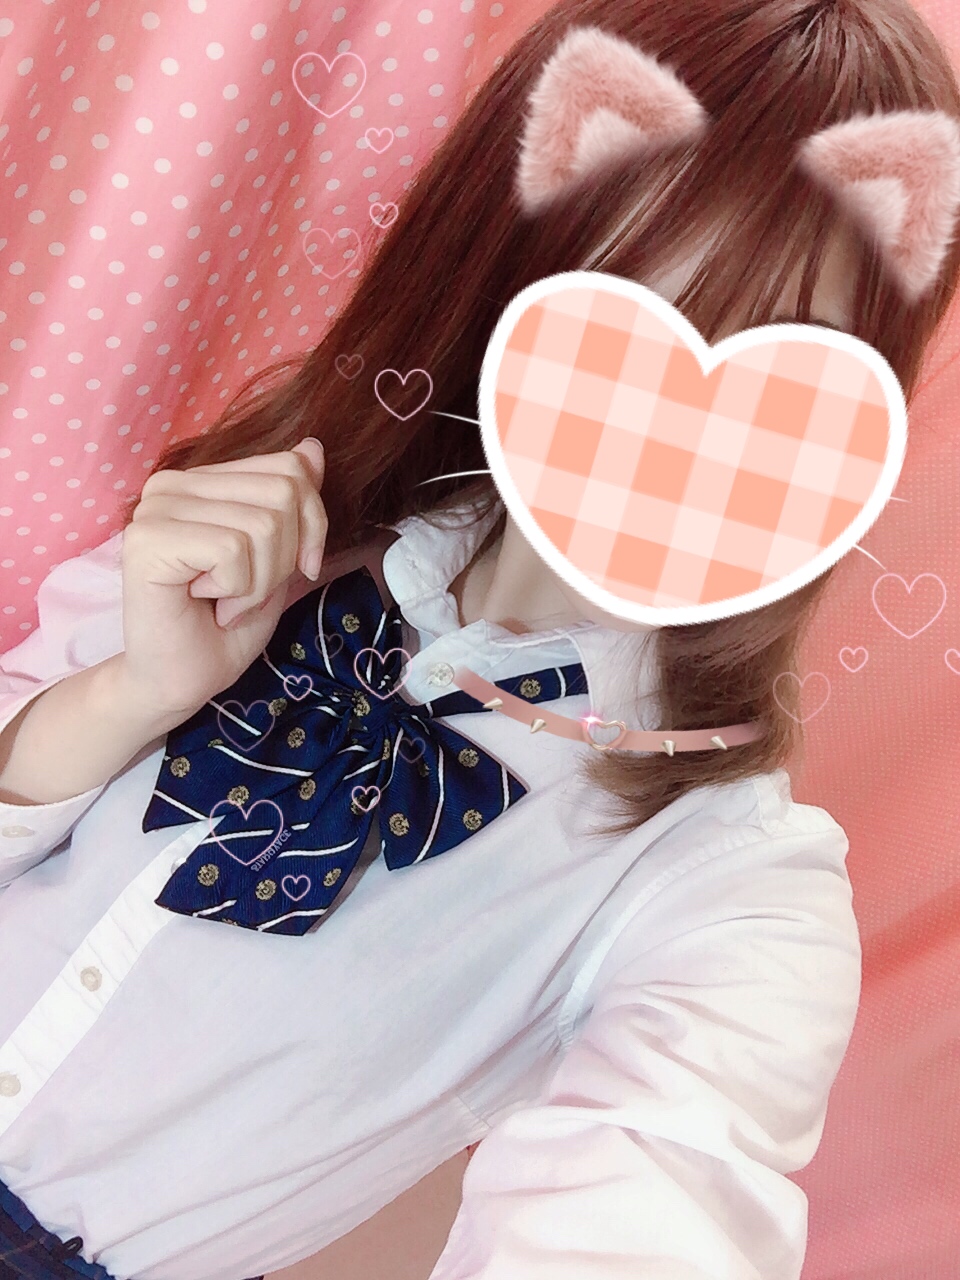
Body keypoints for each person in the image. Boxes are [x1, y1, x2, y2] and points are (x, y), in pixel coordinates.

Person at [1, 0, 959, 1277]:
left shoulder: (722, 880)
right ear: (512, 270)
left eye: (772, 381)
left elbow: (665, 1182)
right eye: (626, 315)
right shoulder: (280, 513)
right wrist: (132, 691)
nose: (670, 432)